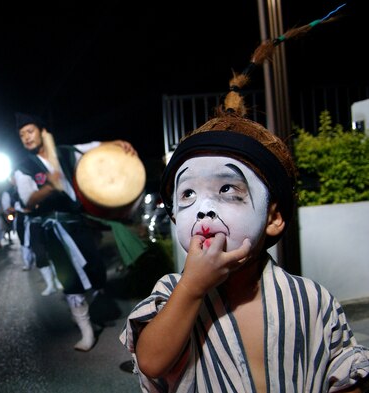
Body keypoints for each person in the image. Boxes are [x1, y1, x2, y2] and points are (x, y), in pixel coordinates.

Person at [118, 57, 369, 391]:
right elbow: (150, 361)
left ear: (274, 217)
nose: (204, 210)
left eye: (227, 190)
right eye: (188, 194)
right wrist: (191, 288)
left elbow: (345, 370)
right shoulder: (172, 294)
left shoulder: (310, 298)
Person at [13, 112, 136, 351]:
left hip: (77, 223)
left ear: (41, 131)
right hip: (54, 230)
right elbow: (28, 200)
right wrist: (49, 186)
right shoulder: (24, 167)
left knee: (95, 270)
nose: (26, 138)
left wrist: (118, 144)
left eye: (29, 131)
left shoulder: (65, 152)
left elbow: (93, 148)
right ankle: (86, 330)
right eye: (21, 135)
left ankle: (85, 309)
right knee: (69, 278)